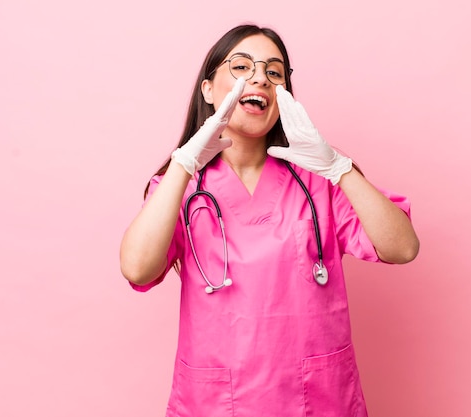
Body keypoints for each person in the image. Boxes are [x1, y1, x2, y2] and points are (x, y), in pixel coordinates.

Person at [120, 24, 419, 417]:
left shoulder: (320, 179)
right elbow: (138, 269)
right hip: (217, 403)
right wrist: (183, 164)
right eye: (242, 67)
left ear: (283, 96)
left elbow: (403, 247)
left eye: (274, 72)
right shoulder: (180, 188)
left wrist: (338, 167)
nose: (260, 77)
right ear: (208, 89)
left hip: (317, 399)